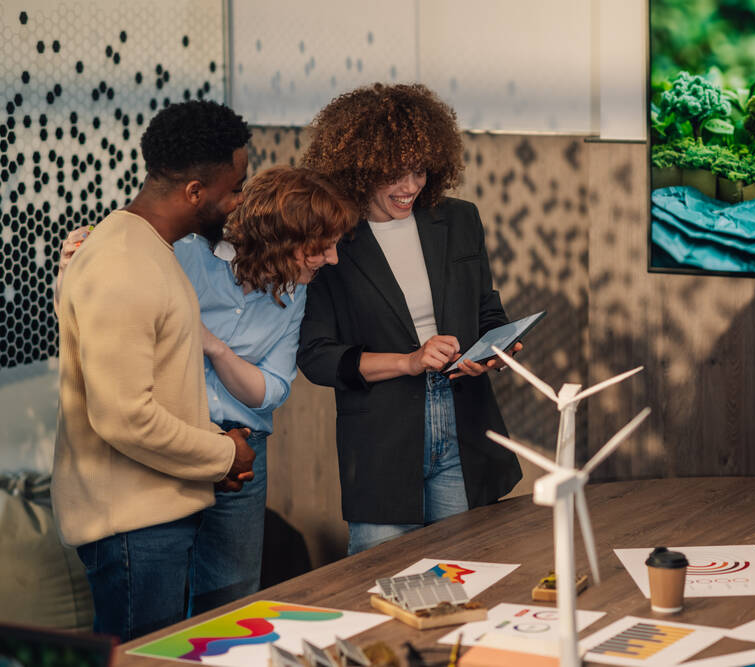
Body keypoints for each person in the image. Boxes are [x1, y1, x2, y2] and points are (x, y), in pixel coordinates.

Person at [55, 166, 357, 617]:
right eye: (321, 247)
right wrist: (73, 266)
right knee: (156, 610)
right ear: (282, 237)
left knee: (230, 605)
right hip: (166, 447)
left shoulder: (296, 295)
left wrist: (212, 346)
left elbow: (270, 391)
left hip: (242, 457)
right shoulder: (184, 256)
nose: (332, 259)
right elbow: (110, 331)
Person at [52, 100, 255, 640]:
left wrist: (214, 440)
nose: (237, 201)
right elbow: (123, 417)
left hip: (151, 519)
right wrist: (223, 454)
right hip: (133, 530)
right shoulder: (124, 263)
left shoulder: (147, 248)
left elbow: (151, 388)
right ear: (195, 192)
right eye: (234, 188)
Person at [297, 83, 523, 555]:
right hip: (382, 438)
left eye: (419, 170)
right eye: (393, 174)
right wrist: (410, 361)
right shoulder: (331, 238)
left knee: (467, 575)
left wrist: (496, 348)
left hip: (464, 425)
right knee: (379, 585)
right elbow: (318, 358)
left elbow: (486, 307)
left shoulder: (459, 220)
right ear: (357, 171)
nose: (410, 187)